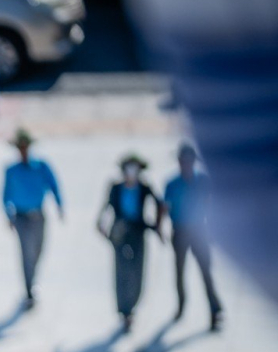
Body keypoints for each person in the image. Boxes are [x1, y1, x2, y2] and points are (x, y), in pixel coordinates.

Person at [96, 154, 164, 333]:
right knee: (121, 270)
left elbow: (160, 204)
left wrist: (158, 226)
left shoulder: (144, 187)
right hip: (120, 233)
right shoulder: (116, 187)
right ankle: (124, 310)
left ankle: (132, 306)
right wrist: (101, 223)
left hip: (138, 231)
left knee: (137, 270)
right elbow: (107, 205)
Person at [162, 142, 224, 331]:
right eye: (182, 161)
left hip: (199, 231)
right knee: (179, 271)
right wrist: (158, 227)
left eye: (188, 161)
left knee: (206, 271)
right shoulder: (172, 183)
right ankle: (181, 305)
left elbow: (212, 204)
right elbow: (165, 207)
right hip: (180, 231)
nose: (185, 165)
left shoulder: (203, 181)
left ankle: (215, 310)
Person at [1, 129, 64, 308]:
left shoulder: (41, 166)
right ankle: (29, 289)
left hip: (38, 215)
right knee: (26, 252)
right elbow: (5, 195)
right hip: (21, 217)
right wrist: (8, 215)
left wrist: (60, 204)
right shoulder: (11, 170)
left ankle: (32, 278)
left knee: (38, 249)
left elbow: (53, 184)